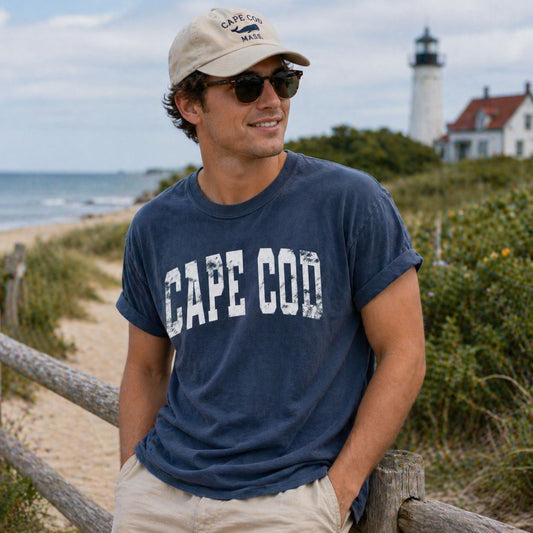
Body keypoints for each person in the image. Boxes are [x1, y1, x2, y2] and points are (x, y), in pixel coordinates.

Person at [112, 6, 426, 532]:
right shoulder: (155, 225)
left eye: (283, 81)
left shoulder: (351, 202)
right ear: (190, 104)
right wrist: (131, 479)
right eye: (245, 86)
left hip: (289, 503)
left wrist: (337, 492)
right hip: (159, 496)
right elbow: (144, 368)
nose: (272, 101)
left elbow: (405, 353)